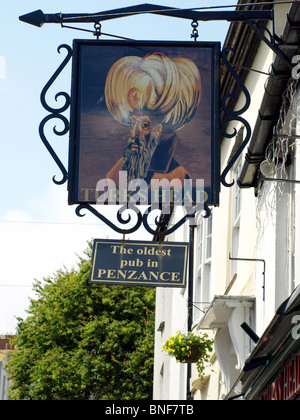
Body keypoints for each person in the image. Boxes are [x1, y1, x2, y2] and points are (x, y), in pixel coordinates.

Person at [104, 52, 202, 187]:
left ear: (158, 130)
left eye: (144, 125)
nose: (135, 134)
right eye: (133, 123)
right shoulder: (114, 176)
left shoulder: (179, 177)